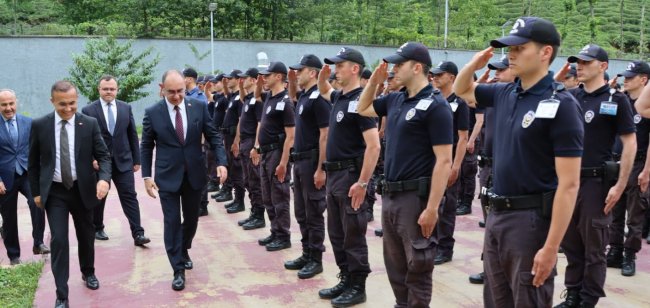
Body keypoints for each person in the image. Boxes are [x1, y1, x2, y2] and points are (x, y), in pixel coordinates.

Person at [453, 17, 583, 307]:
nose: (510, 54)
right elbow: (462, 90)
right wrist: (474, 64)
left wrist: (550, 247)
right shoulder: (504, 92)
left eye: (519, 47)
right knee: (497, 299)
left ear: (545, 52)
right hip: (497, 214)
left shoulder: (561, 105)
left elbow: (570, 184)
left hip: (531, 221)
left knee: (528, 298)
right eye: (508, 48)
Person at [358, 41, 453, 308]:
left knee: (418, 267)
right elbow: (362, 109)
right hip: (391, 196)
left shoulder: (436, 106)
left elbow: (444, 161)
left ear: (417, 67)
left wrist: (433, 207)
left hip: (416, 199)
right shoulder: (396, 99)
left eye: (399, 65)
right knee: (395, 265)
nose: (394, 69)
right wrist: (374, 82)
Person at [554, 44, 636, 308]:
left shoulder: (616, 99)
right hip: (567, 182)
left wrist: (621, 185)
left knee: (594, 247)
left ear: (603, 66)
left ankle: (588, 299)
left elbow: (630, 142)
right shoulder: (571, 96)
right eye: (578, 61)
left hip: (595, 183)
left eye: (587, 62)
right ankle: (573, 294)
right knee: (571, 244)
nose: (580, 66)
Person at [140, 70, 228, 291]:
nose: (177, 96)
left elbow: (213, 135)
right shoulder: (153, 112)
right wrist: (147, 176)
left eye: (180, 91)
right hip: (166, 176)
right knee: (171, 221)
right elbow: (147, 144)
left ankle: (184, 247)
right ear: (162, 88)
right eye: (172, 92)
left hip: (194, 174)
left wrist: (221, 161)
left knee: (191, 219)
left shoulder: (197, 107)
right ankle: (177, 268)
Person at [29, 80, 111, 308]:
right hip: (55, 193)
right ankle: (62, 294)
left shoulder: (90, 123)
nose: (68, 109)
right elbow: (33, 163)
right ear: (52, 101)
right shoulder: (40, 125)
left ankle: (88, 272)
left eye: (72, 103)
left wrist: (104, 179)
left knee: (86, 235)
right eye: (62, 104)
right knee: (59, 240)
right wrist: (36, 192)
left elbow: (104, 156)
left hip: (83, 190)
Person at [316, 47, 380, 307]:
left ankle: (358, 285)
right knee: (337, 232)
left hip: (350, 175)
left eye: (340, 66)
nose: (335, 70)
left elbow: (374, 146)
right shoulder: (340, 98)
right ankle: (346, 277)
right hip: (334, 176)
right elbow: (323, 89)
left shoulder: (361, 101)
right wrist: (323, 75)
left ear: (355, 68)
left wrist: (363, 182)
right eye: (334, 66)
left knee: (353, 233)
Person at [81, 76, 150, 245]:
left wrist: (137, 159)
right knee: (99, 196)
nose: (109, 92)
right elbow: (84, 139)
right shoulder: (88, 110)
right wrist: (91, 159)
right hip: (100, 163)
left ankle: (138, 233)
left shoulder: (125, 108)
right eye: (105, 89)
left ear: (117, 89)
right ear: (99, 89)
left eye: (112, 89)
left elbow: (132, 134)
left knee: (129, 196)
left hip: (124, 161)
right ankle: (98, 227)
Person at [468, 56, 516, 285]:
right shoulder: (493, 96)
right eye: (494, 70)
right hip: (488, 165)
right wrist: (477, 70)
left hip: (507, 167)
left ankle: (505, 270)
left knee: (508, 225)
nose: (496, 73)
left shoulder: (517, 98)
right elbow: (463, 92)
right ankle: (490, 268)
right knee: (490, 222)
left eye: (501, 70)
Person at [283, 54, 331, 279]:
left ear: (312, 73)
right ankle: (306, 252)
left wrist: (321, 168)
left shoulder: (319, 98)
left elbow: (325, 135)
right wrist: (293, 81)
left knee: (313, 212)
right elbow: (292, 93)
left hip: (312, 162)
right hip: (300, 161)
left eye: (300, 71)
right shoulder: (304, 96)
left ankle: (316, 259)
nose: (296, 74)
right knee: (301, 212)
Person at [607, 60, 650, 278]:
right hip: (617, 161)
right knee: (615, 209)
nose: (626, 80)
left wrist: (647, 170)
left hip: (639, 163)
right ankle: (614, 250)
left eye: (631, 77)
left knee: (635, 213)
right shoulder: (621, 101)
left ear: (644, 79)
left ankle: (629, 255)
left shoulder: (647, 107)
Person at [0, 89, 48, 266]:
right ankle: (14, 256)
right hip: (5, 179)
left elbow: (37, 149)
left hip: (28, 174)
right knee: (9, 217)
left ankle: (38, 243)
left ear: (16, 102)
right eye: (4, 104)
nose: (8, 108)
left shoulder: (28, 123)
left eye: (11, 103)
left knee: (38, 203)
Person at [254, 61, 295, 252]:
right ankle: (275, 230)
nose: (264, 78)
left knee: (279, 195)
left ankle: (283, 235)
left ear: (279, 76)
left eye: (268, 75)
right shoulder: (270, 97)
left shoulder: (285, 102)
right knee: (268, 195)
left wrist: (284, 163)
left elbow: (291, 136)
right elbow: (255, 95)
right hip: (266, 153)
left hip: (277, 154)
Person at [431, 61, 469, 265]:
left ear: (452, 78)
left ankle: (445, 248)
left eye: (440, 75)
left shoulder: (459, 103)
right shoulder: (433, 99)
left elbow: (463, 138)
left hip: (450, 159)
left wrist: (456, 166)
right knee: (432, 202)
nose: (435, 78)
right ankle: (432, 242)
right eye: (434, 75)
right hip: (432, 160)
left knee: (447, 206)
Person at [233, 68, 266, 229]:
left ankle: (259, 215)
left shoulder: (257, 100)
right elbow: (241, 96)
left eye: (245, 78)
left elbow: (260, 123)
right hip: (245, 142)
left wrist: (256, 146)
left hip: (252, 142)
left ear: (253, 80)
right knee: (248, 180)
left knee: (255, 181)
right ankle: (253, 212)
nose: (242, 80)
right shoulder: (247, 99)